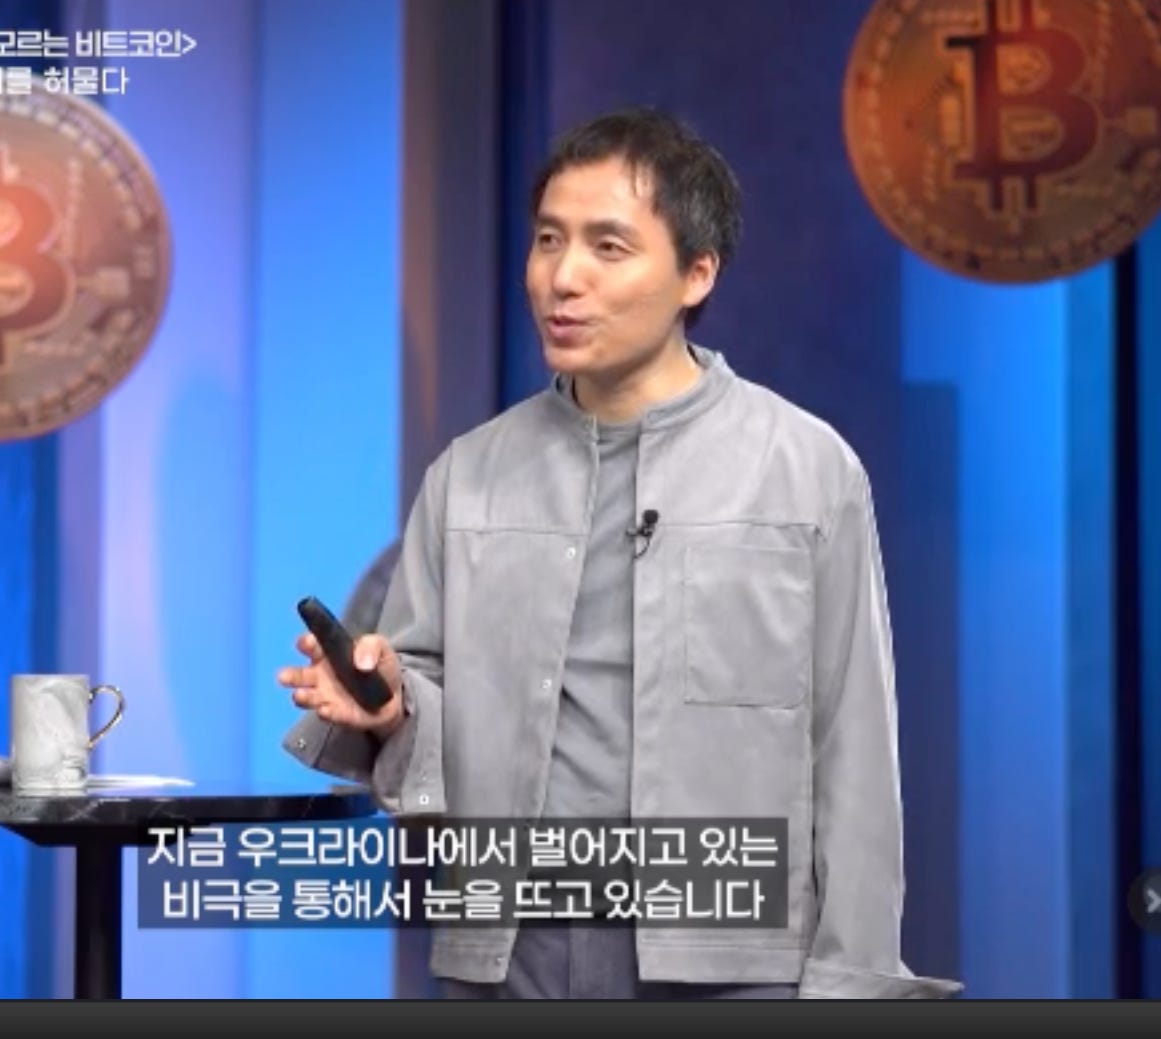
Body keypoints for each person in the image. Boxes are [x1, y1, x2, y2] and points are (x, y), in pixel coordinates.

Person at [276, 106, 961, 1000]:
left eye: (607, 246)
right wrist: (389, 703)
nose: (562, 277)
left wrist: (853, 980)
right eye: (547, 240)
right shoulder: (468, 474)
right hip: (510, 954)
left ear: (695, 272)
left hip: (731, 957)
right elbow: (426, 707)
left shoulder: (803, 468)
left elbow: (854, 745)